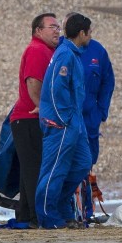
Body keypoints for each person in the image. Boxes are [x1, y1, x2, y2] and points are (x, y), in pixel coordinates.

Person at [35, 13, 92, 229]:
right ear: (81, 33)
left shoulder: (74, 54)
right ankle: (48, 216)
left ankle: (61, 206)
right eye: (90, 32)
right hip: (61, 123)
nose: (91, 37)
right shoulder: (65, 55)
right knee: (54, 169)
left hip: (75, 123)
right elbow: (54, 88)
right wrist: (61, 119)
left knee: (82, 164)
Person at [9, 13, 60, 226]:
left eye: (58, 26)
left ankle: (25, 214)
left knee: (29, 169)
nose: (57, 30)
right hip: (29, 117)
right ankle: (35, 217)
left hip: (27, 118)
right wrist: (42, 108)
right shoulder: (37, 49)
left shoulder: (49, 50)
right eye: (52, 27)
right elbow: (32, 82)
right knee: (34, 169)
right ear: (38, 31)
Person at [76, 15, 114, 220]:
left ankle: (87, 209)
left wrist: (102, 111)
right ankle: (72, 209)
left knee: (88, 161)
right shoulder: (62, 50)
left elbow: (108, 81)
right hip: (70, 115)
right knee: (71, 161)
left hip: (91, 114)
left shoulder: (98, 50)